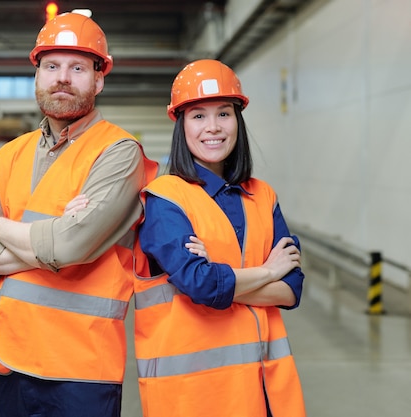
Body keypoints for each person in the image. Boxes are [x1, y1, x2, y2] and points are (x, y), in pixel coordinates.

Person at [0, 11, 158, 417]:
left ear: (98, 79)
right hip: (11, 360)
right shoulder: (10, 154)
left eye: (78, 67)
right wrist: (54, 242)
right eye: (52, 66)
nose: (62, 77)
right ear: (37, 75)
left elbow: (70, 246)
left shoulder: (118, 152)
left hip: (81, 369)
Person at [134, 59, 306, 417]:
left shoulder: (264, 196)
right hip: (194, 398)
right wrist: (269, 272)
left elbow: (292, 290)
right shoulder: (165, 199)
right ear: (180, 124)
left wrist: (223, 278)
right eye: (198, 115)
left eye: (223, 114)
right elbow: (201, 285)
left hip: (265, 392)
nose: (213, 127)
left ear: (237, 121)